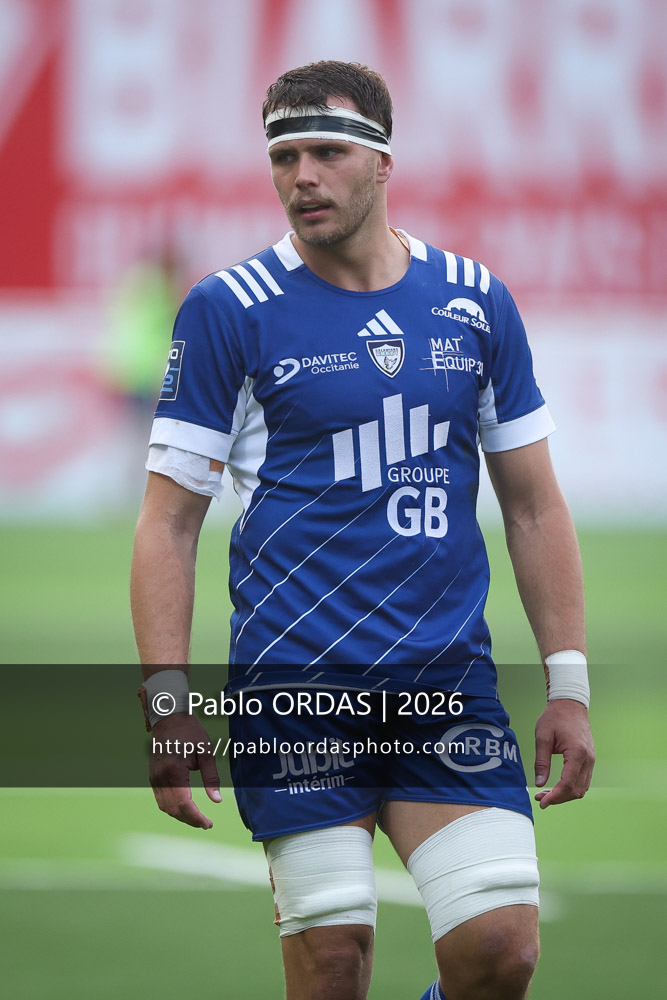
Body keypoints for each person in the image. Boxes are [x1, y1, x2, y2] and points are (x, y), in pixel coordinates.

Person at [131, 60, 595, 1000]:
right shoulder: (230, 310)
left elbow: (534, 504)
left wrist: (568, 683)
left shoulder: (472, 302)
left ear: (383, 163)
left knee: (500, 954)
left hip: (444, 684)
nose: (301, 175)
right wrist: (167, 701)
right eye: (284, 155)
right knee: (333, 966)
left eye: (327, 152)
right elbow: (167, 522)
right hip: (293, 687)